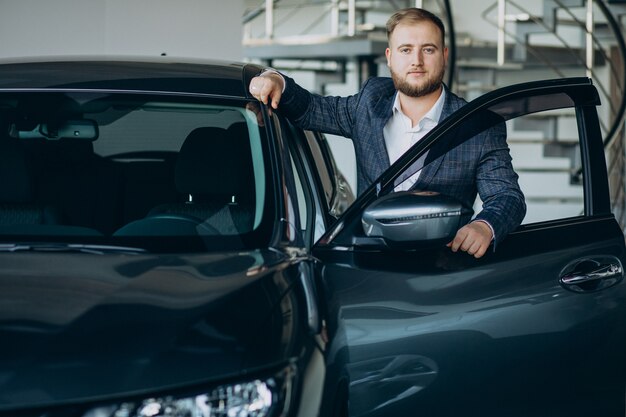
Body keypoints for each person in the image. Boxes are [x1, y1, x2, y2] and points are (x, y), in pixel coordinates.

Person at [248, 7, 526, 259]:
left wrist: (484, 225)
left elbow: (507, 197)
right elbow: (310, 109)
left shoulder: (478, 125)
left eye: (428, 49)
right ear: (390, 58)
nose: (416, 60)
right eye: (406, 50)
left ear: (444, 55)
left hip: (443, 274)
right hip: (368, 267)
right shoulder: (368, 103)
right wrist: (276, 80)